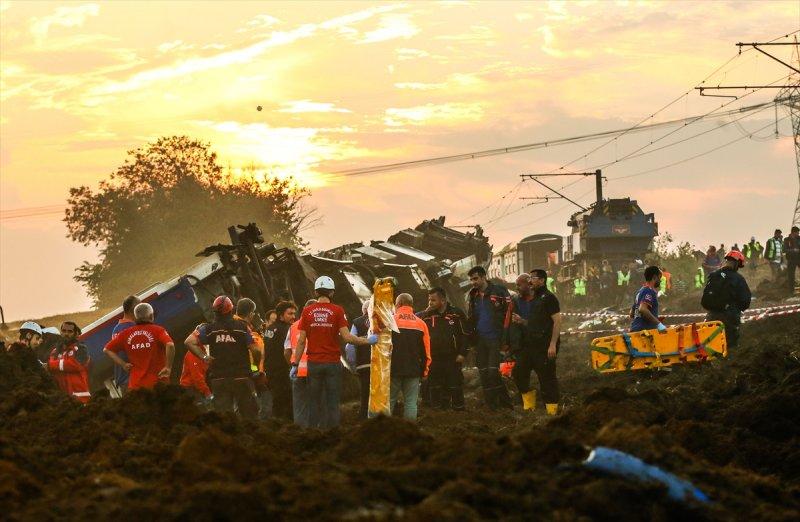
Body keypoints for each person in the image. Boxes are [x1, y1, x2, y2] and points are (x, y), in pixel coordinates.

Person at [291, 276, 377, 429]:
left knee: (314, 400)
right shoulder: (338, 311)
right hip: (332, 363)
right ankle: (333, 432)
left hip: (314, 363)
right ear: (332, 292)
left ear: (316, 292)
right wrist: (368, 341)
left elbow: (301, 341)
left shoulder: (307, 312)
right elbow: (347, 338)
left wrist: (295, 364)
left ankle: (314, 433)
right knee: (332, 401)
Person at [186, 296, 261, 420]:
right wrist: (255, 367)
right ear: (231, 309)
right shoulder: (242, 327)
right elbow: (256, 350)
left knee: (225, 419)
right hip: (241, 377)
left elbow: (189, 342)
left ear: (214, 311)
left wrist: (204, 356)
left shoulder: (208, 329)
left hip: (219, 379)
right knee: (250, 416)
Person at [511, 269, 562, 415]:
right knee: (519, 372)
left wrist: (552, 344)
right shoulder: (534, 298)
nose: (530, 281)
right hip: (528, 345)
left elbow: (557, 321)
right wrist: (522, 322)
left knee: (547, 379)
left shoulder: (549, 298)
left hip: (544, 345)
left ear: (542, 280)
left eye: (533, 278)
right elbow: (535, 323)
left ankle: (552, 411)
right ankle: (529, 405)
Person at [466, 266, 513, 410]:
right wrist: (471, 341)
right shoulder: (472, 295)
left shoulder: (499, 291)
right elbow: (471, 318)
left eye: (475, 278)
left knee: (493, 373)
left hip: (496, 339)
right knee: (484, 374)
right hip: (480, 340)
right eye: (471, 280)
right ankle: (492, 406)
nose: (473, 282)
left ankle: (506, 404)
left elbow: (509, 314)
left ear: (483, 277)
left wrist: (507, 339)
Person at [418, 287, 469, 411]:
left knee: (455, 384)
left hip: (452, 356)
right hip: (433, 357)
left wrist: (463, 353)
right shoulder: (426, 315)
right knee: (435, 385)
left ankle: (459, 410)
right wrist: (425, 312)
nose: (430, 303)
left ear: (443, 300)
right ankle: (438, 411)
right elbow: (415, 324)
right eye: (429, 300)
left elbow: (465, 335)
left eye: (433, 300)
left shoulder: (456, 313)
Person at [104, 303, 175, 391]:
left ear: (135, 318)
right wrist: (168, 367)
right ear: (151, 316)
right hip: (158, 383)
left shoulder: (125, 333)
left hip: (136, 386)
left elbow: (107, 349)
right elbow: (170, 345)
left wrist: (123, 364)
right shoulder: (158, 330)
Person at [389, 293, 431, 421]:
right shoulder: (421, 324)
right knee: (411, 403)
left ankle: (385, 428)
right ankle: (410, 429)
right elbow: (426, 352)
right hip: (413, 370)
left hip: (392, 370)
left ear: (398, 304)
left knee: (389, 401)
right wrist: (425, 371)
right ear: (411, 305)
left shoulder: (390, 321)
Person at [702, 251, 751, 348]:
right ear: (737, 264)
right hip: (730, 319)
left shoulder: (714, 275)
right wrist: (736, 309)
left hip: (711, 317)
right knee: (730, 348)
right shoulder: (738, 279)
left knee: (711, 347)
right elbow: (745, 300)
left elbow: (705, 298)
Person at [233, 298, 268, 418]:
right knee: (252, 407)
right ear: (250, 313)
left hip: (234, 372)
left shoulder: (232, 324)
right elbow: (255, 351)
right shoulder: (242, 327)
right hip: (247, 372)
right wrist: (257, 369)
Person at [286, 299, 317, 427]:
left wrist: (293, 365)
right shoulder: (322, 326)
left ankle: (300, 432)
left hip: (298, 371)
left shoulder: (293, 327)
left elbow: (286, 351)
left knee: (300, 406)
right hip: (316, 370)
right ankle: (317, 432)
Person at [264, 300, 296, 420]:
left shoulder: (269, 329)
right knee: (287, 404)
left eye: (294, 313)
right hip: (283, 371)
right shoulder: (287, 330)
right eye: (290, 314)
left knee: (277, 403)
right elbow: (289, 351)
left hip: (271, 371)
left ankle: (276, 425)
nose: (293, 316)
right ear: (281, 315)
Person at [48, 322, 91, 403]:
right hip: (64, 400)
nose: (66, 334)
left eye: (70, 331)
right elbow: (51, 368)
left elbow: (75, 365)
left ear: (75, 334)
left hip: (81, 398)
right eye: (64, 331)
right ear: (60, 332)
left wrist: (51, 365)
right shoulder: (55, 351)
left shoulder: (81, 348)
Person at [110, 295, 141, 395]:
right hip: (134, 380)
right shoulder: (133, 328)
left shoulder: (116, 329)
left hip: (123, 380)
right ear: (133, 309)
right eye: (139, 306)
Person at [345, 301, 371, 419]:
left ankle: (364, 417)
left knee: (365, 393)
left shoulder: (357, 322)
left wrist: (353, 366)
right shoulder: (382, 320)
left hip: (363, 364)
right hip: (381, 365)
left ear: (363, 310)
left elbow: (350, 346)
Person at [629, 266, 667, 333]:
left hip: (635, 329)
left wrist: (654, 317)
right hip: (644, 332)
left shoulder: (640, 291)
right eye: (659, 278)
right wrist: (658, 324)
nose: (660, 280)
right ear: (654, 277)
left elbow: (632, 314)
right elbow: (642, 309)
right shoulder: (649, 291)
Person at [179, 323, 211, 400]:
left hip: (197, 388)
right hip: (189, 389)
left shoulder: (205, 350)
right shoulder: (193, 353)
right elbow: (197, 377)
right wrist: (208, 393)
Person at [784, 226, 800, 293]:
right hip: (791, 259)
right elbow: (785, 250)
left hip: (799, 258)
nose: (798, 234)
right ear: (793, 232)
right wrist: (793, 250)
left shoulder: (799, 238)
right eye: (797, 233)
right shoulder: (787, 240)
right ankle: (791, 291)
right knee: (791, 276)